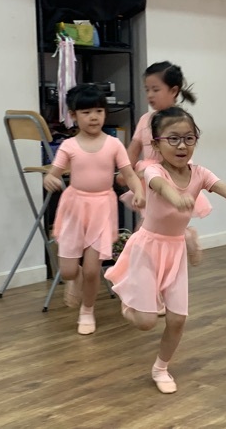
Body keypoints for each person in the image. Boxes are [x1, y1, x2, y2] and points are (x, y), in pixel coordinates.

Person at [105, 106, 226, 394]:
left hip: (175, 251)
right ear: (157, 144)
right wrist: (177, 198)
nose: (182, 146)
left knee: (178, 319)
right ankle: (127, 299)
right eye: (173, 139)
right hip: (147, 248)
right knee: (146, 322)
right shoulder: (153, 169)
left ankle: (161, 368)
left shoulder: (200, 173)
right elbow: (160, 186)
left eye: (189, 138)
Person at [44, 84, 145, 335]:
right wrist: (50, 179)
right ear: (73, 115)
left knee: (92, 270)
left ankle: (87, 310)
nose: (93, 117)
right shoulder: (69, 146)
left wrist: (139, 191)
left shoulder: (113, 144)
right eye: (86, 112)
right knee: (69, 271)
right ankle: (75, 279)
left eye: (99, 111)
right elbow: (53, 173)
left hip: (102, 208)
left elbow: (128, 174)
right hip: (74, 207)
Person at [121, 61, 210, 267]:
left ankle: (185, 237)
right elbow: (133, 149)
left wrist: (145, 172)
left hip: (171, 179)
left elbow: (179, 154)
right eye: (147, 90)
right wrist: (125, 171)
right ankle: (151, 271)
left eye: (156, 89)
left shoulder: (180, 121)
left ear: (173, 91)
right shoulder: (145, 119)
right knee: (151, 229)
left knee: (150, 230)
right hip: (149, 181)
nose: (150, 95)